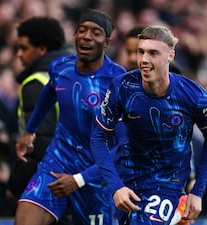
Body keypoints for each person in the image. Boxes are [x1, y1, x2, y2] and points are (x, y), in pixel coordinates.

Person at [91, 25, 207, 225]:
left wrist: (197, 191)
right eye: (141, 52)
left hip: (167, 185)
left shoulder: (195, 95)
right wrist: (116, 186)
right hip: (127, 184)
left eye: (153, 53)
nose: (144, 59)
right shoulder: (122, 87)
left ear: (171, 55)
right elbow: (99, 137)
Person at [14, 9, 126, 225]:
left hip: (96, 176)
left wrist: (80, 179)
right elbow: (49, 93)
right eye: (82, 30)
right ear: (74, 36)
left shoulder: (118, 81)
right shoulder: (60, 67)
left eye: (96, 32)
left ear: (107, 43)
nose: (87, 36)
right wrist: (30, 131)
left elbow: (122, 146)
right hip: (57, 162)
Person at [7, 16, 69, 199]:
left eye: (24, 48)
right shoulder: (69, 75)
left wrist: (16, 184)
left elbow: (39, 143)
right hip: (72, 176)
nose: (18, 54)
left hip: (47, 184)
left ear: (42, 49)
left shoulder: (36, 84)